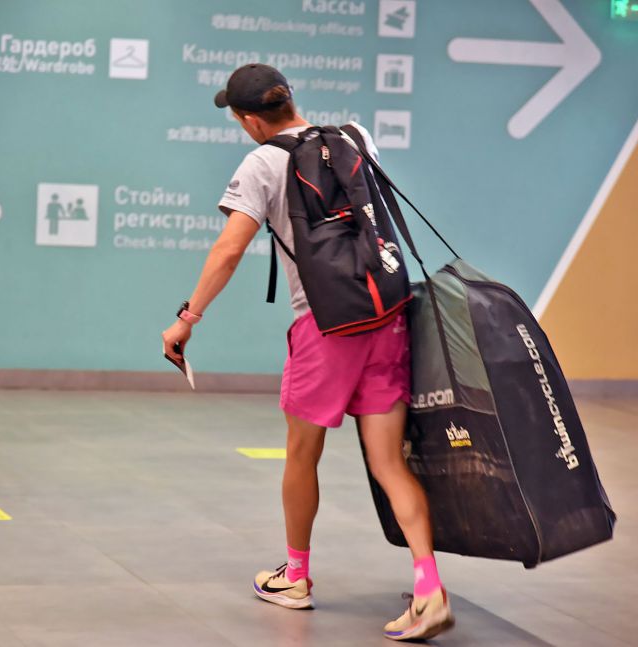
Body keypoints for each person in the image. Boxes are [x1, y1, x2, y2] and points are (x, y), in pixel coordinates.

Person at [161, 63, 454, 641]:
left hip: (325, 330)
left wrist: (187, 318)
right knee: (388, 462)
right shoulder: (355, 136)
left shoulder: (262, 162)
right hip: (386, 317)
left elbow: (229, 249)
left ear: (250, 121)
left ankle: (295, 578)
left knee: (301, 455)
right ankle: (429, 589)